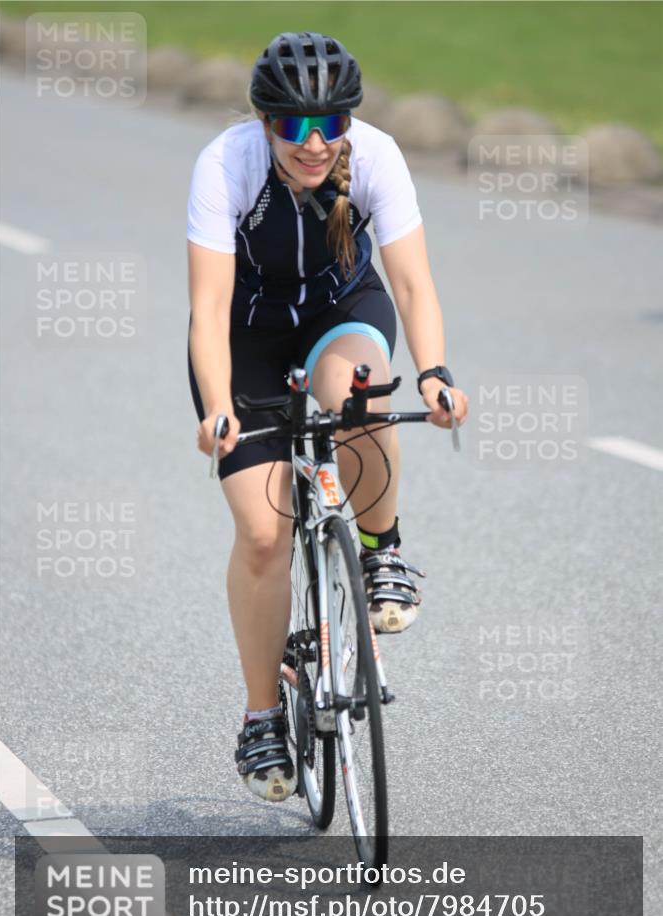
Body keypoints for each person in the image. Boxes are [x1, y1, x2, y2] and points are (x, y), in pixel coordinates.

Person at [187, 31, 468, 803]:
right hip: (247, 336)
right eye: (293, 127)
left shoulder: (376, 156)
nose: (314, 145)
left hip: (342, 310)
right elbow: (208, 309)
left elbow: (412, 285)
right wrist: (218, 406)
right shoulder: (226, 164)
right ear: (264, 122)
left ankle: (380, 547)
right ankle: (260, 715)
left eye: (330, 125)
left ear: (350, 120)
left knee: (363, 389)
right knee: (262, 532)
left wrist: (438, 372)